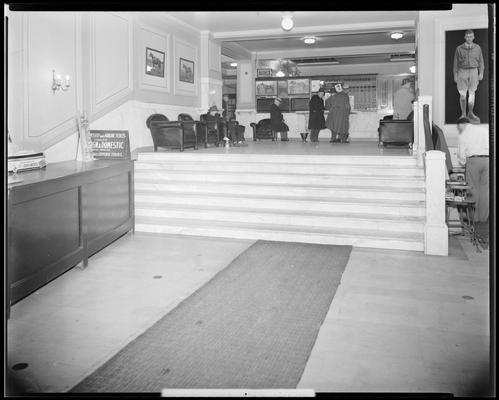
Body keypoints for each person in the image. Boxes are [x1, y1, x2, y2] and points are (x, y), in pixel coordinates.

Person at [456, 117, 489, 224]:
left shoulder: (463, 134)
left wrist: (463, 163)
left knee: (472, 190)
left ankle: (474, 218)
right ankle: (483, 218)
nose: (459, 129)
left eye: (458, 127)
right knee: (485, 191)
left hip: (473, 161)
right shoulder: (484, 130)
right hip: (488, 161)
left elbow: (461, 155)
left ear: (461, 125)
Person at [453, 29, 485, 123]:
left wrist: (481, 72)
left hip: (474, 71)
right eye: (467, 36)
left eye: (471, 36)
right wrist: (455, 75)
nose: (469, 38)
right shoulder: (459, 49)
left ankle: (470, 113)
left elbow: (481, 61)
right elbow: (455, 64)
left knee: (472, 94)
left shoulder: (478, 48)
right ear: (464, 37)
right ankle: (463, 114)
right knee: (462, 95)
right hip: (462, 72)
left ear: (473, 37)